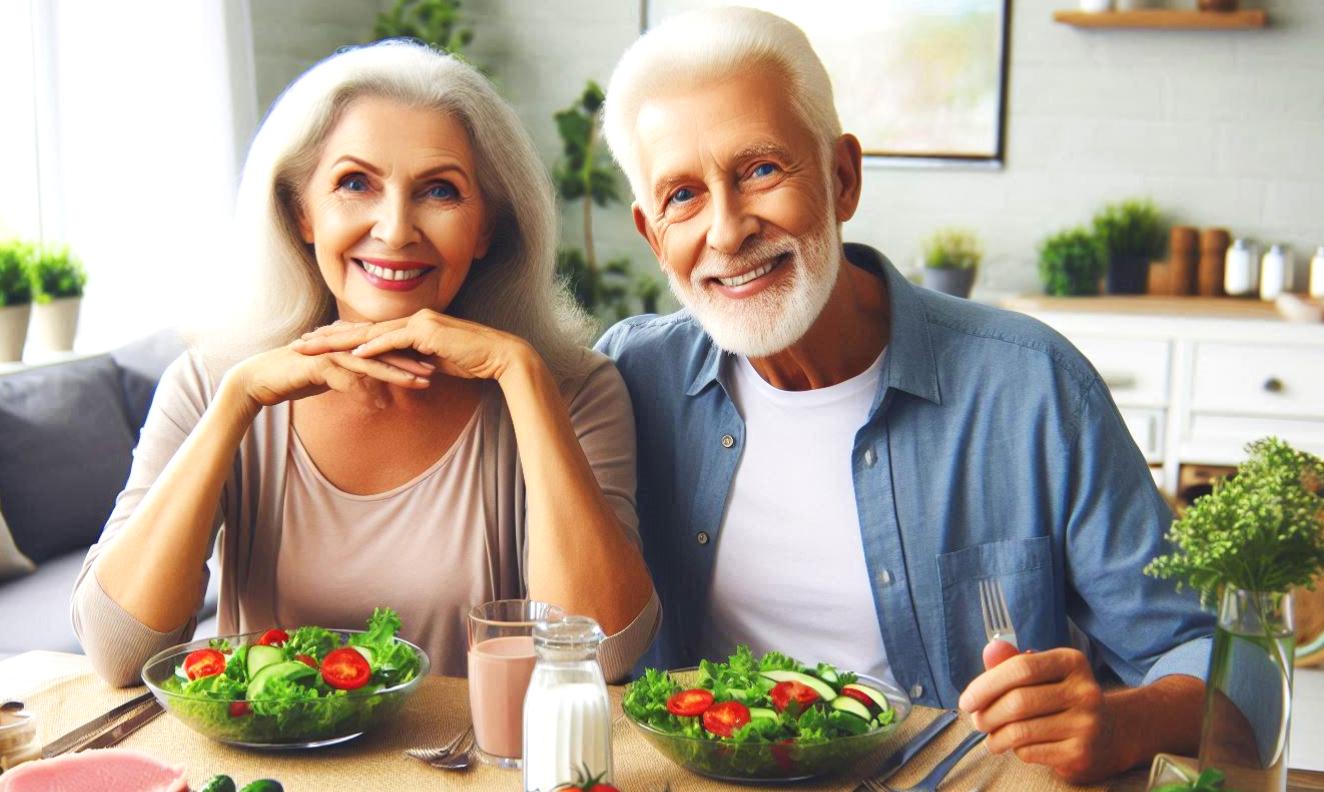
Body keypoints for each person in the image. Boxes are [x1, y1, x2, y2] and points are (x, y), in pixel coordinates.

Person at [595, 7, 1211, 783]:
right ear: (653, 236)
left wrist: (1121, 722)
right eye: (683, 196)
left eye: (760, 170)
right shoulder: (624, 380)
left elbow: (1206, 657)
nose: (726, 231)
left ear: (842, 177)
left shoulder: (1032, 387)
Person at [71, 40, 658, 684]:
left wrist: (520, 375)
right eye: (355, 183)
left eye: (440, 191)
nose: (396, 228)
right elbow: (116, 654)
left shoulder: (573, 389)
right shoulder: (213, 383)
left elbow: (605, 655)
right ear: (302, 212)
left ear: (487, 227)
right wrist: (234, 405)